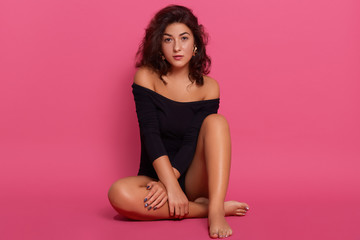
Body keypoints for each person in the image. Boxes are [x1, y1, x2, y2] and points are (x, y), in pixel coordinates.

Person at [108, 5, 249, 239]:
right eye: (168, 39)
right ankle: (210, 207)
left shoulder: (209, 87)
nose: (176, 47)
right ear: (159, 46)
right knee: (118, 193)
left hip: (193, 177)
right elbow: (150, 134)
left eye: (184, 38)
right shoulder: (146, 77)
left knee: (216, 122)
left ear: (195, 44)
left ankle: (216, 212)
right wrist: (167, 185)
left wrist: (173, 183)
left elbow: (191, 140)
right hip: (154, 176)